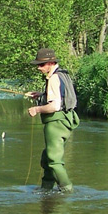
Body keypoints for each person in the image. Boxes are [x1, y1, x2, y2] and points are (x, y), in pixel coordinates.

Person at [24, 48, 80, 193]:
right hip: (65, 121)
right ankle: (46, 189)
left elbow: (54, 106)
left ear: (50, 63)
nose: (38, 68)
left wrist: (36, 109)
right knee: (47, 158)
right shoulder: (62, 75)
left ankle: (68, 191)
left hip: (56, 123)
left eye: (41, 65)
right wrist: (42, 95)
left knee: (54, 160)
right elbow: (60, 98)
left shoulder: (54, 78)